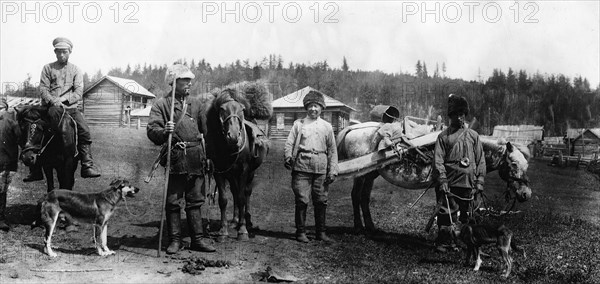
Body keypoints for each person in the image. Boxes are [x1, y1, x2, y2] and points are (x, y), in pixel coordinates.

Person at [147, 63, 216, 254]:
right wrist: (163, 131)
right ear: (173, 82)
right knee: (173, 202)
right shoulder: (162, 105)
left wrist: (209, 157)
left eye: (190, 80)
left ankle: (198, 240)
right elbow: (151, 131)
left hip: (196, 158)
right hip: (176, 158)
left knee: (195, 201)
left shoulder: (197, 104)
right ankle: (175, 240)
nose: (189, 83)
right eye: (185, 79)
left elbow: (207, 133)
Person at [24, 37, 101, 182]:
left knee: (84, 129)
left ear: (70, 52)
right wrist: (53, 100)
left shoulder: (76, 70)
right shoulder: (47, 68)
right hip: (49, 108)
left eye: (64, 52)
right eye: (58, 52)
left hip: (69, 109)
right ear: (55, 52)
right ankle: (34, 170)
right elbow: (43, 89)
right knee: (32, 125)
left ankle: (87, 164)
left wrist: (63, 100)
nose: (61, 55)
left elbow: (78, 92)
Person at [433, 94, 486, 252]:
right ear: (451, 116)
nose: (460, 117)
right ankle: (444, 242)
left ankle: (471, 244)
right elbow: (438, 160)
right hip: (450, 184)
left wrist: (480, 181)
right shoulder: (443, 137)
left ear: (465, 115)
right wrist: (442, 181)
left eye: (462, 114)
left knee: (470, 215)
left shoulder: (473, 136)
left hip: (469, 184)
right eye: (456, 114)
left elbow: (480, 159)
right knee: (446, 213)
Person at [284, 90, 338, 243]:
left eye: (317, 106)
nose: (314, 109)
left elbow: (332, 149)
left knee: (321, 200)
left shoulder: (327, 126)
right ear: (306, 107)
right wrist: (288, 156)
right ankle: (300, 232)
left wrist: (333, 169)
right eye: (311, 106)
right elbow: (289, 143)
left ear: (322, 108)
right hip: (301, 166)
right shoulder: (299, 124)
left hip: (321, 167)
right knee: (302, 199)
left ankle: (321, 232)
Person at [0, 98, 21, 231]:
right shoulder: (13, 122)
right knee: (2, 191)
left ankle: (1, 218)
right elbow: (21, 140)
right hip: (6, 163)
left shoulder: (11, 122)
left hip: (5, 162)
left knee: (1, 190)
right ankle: (1, 219)